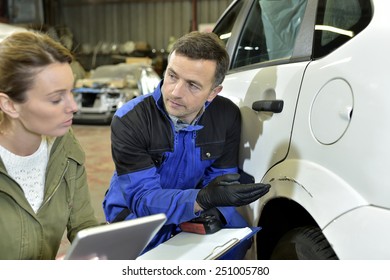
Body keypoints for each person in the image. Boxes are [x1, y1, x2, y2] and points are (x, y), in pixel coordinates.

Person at [103, 31, 270, 258]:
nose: (175, 92)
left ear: (213, 92)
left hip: (193, 208)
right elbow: (142, 199)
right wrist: (200, 200)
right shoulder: (131, 119)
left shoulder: (226, 115)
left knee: (238, 238)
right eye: (172, 76)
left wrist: (216, 211)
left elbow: (221, 179)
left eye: (192, 85)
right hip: (137, 214)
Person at [0, 31, 99, 259]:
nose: (73, 106)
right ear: (10, 105)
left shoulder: (65, 147)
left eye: (71, 92)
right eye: (56, 99)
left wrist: (98, 250)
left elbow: (83, 224)